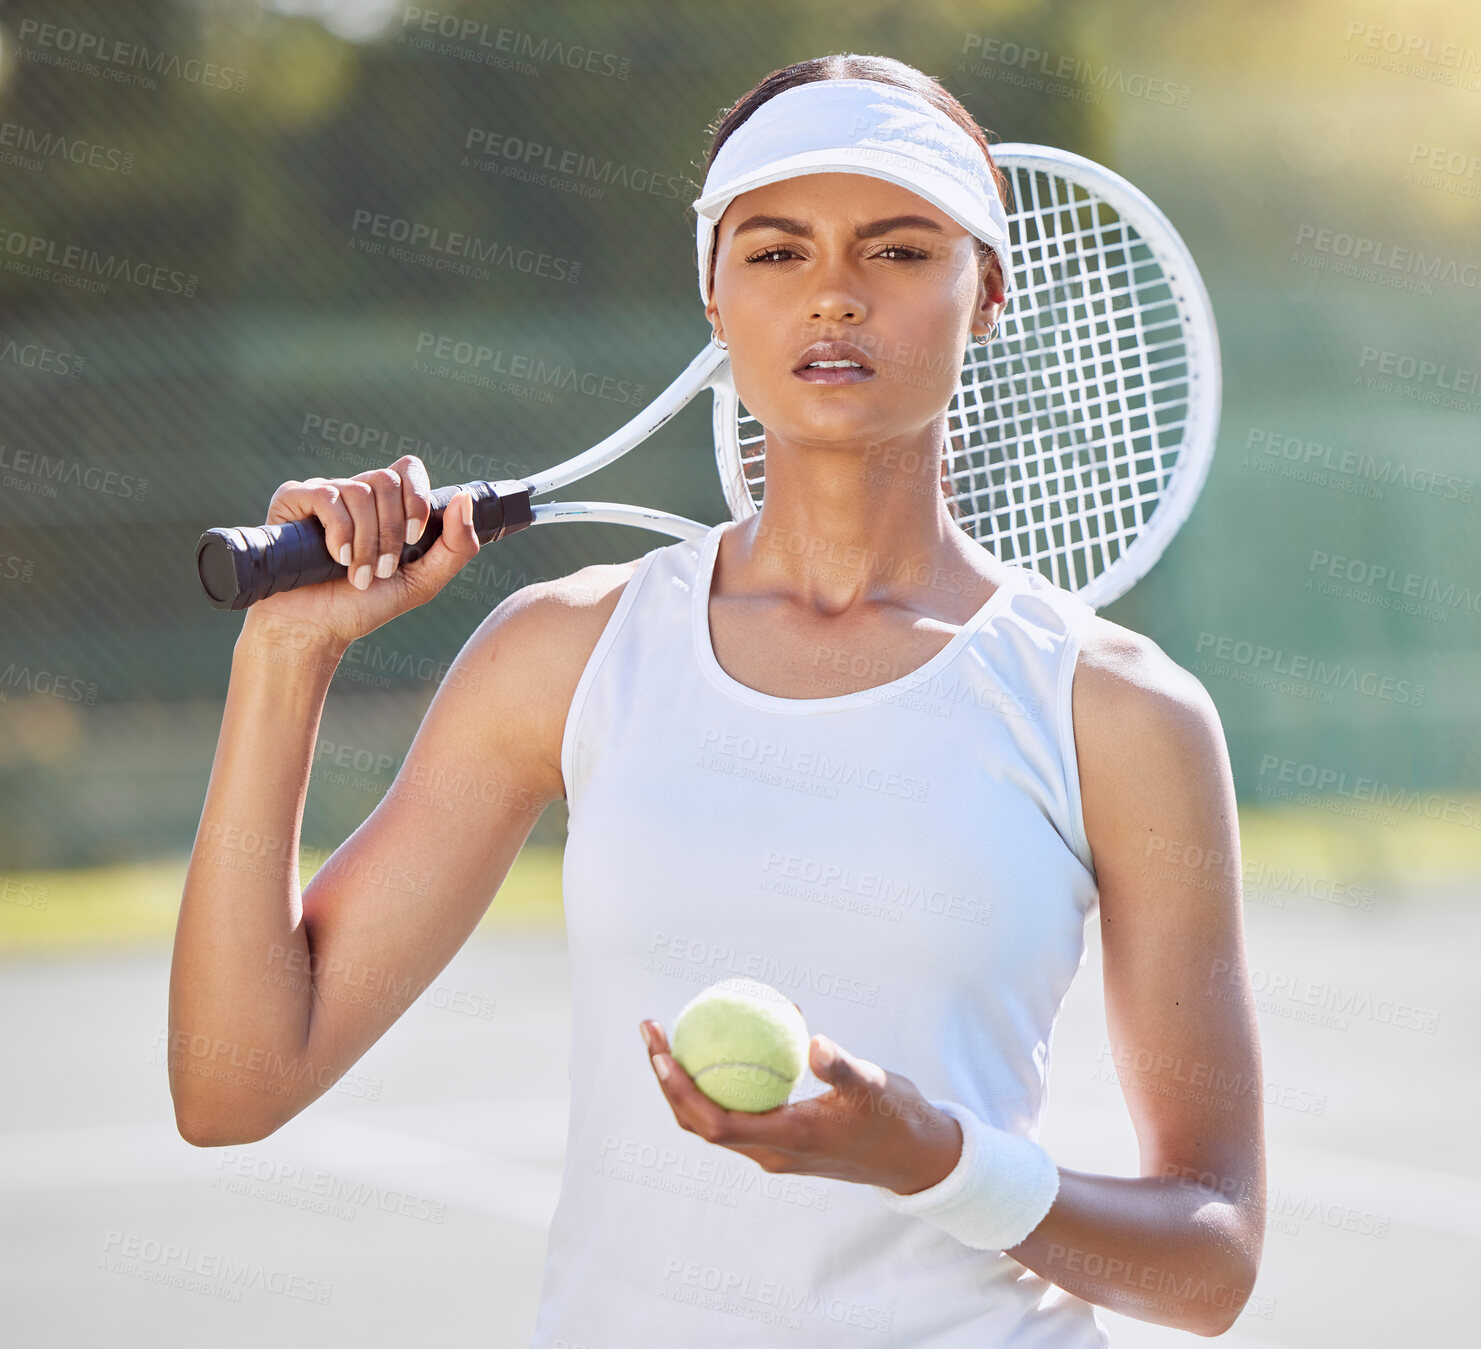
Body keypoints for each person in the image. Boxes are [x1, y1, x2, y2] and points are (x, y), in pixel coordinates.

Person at [169, 51, 1264, 1347]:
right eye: (777, 251)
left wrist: (932, 1157)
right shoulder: (567, 652)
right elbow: (233, 1084)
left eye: (901, 251)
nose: (836, 296)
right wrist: (285, 658)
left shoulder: (1118, 710)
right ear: (713, 296)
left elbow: (1207, 1262)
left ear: (985, 296)